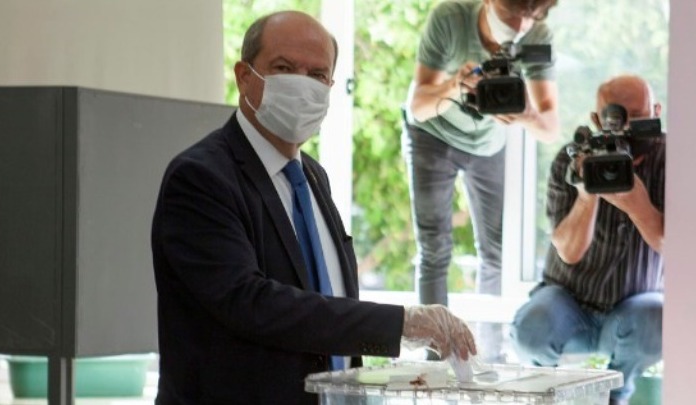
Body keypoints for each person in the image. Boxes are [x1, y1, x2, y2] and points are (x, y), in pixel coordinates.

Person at [151, 10, 477, 405]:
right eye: (284, 67)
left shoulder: (312, 177)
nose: (302, 85)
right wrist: (400, 324)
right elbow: (251, 304)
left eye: (318, 75)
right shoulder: (201, 178)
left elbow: (330, 303)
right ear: (243, 76)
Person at [402, 0, 560, 361]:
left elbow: (550, 128)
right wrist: (455, 86)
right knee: (435, 248)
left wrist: (525, 114)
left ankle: (487, 356)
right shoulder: (450, 18)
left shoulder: (537, 36)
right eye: (511, 14)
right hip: (433, 134)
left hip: (488, 144)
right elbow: (418, 106)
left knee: (497, 251)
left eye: (531, 16)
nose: (519, 25)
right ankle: (437, 357)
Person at [510, 74, 664, 405]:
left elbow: (677, 249)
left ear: (657, 112)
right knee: (531, 331)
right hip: (567, 303)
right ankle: (548, 395)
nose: (627, 128)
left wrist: (638, 206)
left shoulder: (674, 162)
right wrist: (587, 193)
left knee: (660, 318)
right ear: (597, 119)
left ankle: (616, 396)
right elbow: (569, 252)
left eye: (639, 117)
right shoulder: (572, 160)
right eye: (617, 118)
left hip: (634, 312)